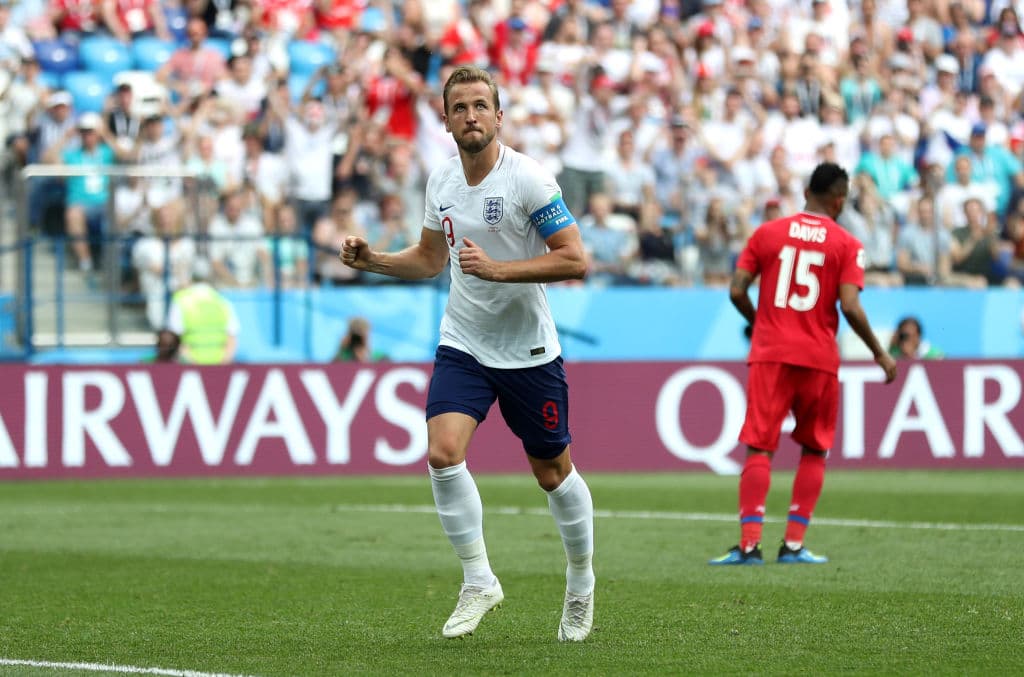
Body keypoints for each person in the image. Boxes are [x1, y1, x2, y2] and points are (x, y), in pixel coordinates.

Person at [340, 66, 595, 642]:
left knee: (552, 472)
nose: (472, 116)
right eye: (461, 107)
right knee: (442, 452)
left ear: (499, 116)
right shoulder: (442, 182)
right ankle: (479, 580)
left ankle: (580, 582)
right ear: (447, 118)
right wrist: (373, 260)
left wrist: (499, 270)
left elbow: (575, 259)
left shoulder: (530, 179)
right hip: (464, 342)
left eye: (482, 105)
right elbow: (432, 259)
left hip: (529, 350)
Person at [711, 162, 898, 566]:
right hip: (819, 357)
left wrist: (763, 322)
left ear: (806, 191)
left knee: (760, 446)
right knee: (815, 448)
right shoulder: (847, 244)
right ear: (839, 200)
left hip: (771, 353)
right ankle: (793, 544)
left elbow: (736, 290)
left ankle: (748, 546)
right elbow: (849, 305)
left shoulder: (767, 233)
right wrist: (880, 353)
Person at [165, 260, 240, 365]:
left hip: (190, 365)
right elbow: (232, 339)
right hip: (219, 364)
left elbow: (174, 339)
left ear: (190, 277)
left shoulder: (180, 300)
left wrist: (194, 365)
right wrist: (222, 364)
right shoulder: (222, 301)